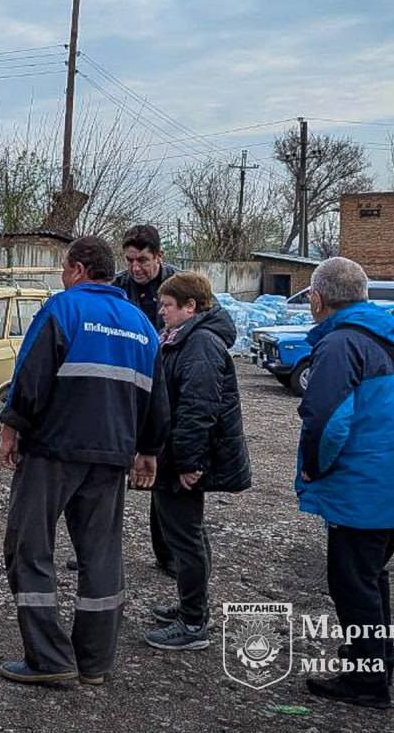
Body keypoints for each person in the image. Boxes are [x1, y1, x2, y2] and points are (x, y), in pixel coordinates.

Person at [0, 235, 169, 686]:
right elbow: (157, 395)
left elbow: (30, 378)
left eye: (62, 268)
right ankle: (94, 661)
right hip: (112, 455)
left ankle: (50, 659)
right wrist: (149, 449)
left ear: (77, 269)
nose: (61, 277)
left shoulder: (63, 309)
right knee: (101, 553)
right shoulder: (140, 324)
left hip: (54, 450)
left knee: (29, 546)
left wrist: (11, 430)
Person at [296, 257, 394, 710]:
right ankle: (377, 663)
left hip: (365, 488)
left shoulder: (339, 344)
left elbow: (326, 421)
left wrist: (314, 469)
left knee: (352, 583)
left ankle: (367, 681)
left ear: (318, 299)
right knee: (369, 575)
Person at [144, 272, 251, 652]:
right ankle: (192, 607)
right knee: (187, 533)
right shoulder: (182, 338)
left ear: (190, 306)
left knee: (185, 538)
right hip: (174, 453)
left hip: (182, 459)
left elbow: (197, 408)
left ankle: (192, 623)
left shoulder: (201, 343)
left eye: (167, 305)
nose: (161, 311)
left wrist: (188, 463)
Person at [111, 223, 180, 577]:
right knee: (109, 473)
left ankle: (167, 554)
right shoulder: (118, 287)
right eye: (130, 260)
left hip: (166, 388)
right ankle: (99, 548)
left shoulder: (178, 286)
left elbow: (219, 326)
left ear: (159, 257)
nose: (135, 267)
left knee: (163, 475)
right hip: (126, 388)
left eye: (143, 260)